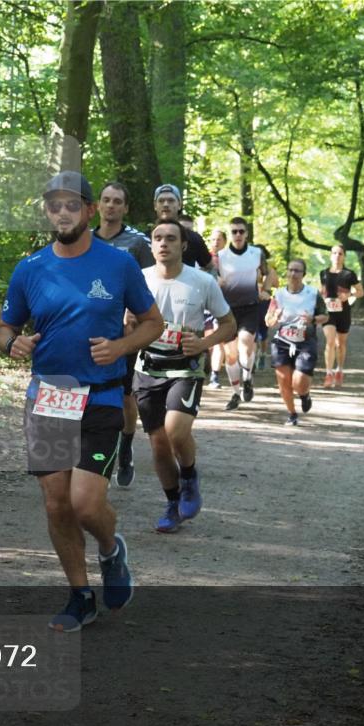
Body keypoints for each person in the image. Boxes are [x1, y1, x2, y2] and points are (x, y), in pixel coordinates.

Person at [0, 171, 164, 632]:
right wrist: (12, 343)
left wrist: (121, 348)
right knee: (56, 504)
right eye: (54, 205)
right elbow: (5, 326)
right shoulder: (30, 269)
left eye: (73, 205)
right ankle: (80, 594)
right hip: (49, 396)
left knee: (86, 504)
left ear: (90, 211)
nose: (63, 213)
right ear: (47, 212)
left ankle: (111, 549)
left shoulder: (119, 264)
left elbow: (153, 322)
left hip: (102, 396)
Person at [134, 219, 236, 532]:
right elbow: (127, 321)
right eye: (158, 238)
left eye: (171, 238)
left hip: (186, 368)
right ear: (151, 246)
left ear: (183, 246)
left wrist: (204, 343)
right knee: (159, 445)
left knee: (176, 432)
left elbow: (229, 324)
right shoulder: (139, 280)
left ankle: (189, 474)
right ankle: (172, 503)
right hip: (148, 367)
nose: (163, 243)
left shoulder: (202, 282)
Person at [93, 181, 155, 490]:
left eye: (117, 201)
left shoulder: (138, 243)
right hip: (88, 330)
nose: (111, 205)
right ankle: (89, 453)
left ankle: (126, 447)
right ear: (98, 205)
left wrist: (136, 311)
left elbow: (152, 283)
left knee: (125, 395)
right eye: (106, 200)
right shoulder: (84, 240)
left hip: (124, 333)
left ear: (125, 208)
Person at [265, 258, 328, 426]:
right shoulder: (278, 294)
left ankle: (304, 394)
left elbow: (326, 316)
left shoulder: (313, 293)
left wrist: (312, 319)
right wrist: (275, 317)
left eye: (297, 271)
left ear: (303, 274)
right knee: (283, 380)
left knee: (298, 381)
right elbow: (268, 321)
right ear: (286, 272)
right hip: (282, 341)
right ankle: (292, 414)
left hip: (305, 341)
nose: (293, 274)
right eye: (290, 270)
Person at [217, 217, 271, 411]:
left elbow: (269, 273)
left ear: (247, 233)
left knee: (246, 342)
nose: (238, 235)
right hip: (227, 308)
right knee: (231, 355)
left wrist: (265, 289)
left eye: (241, 231)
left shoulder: (256, 253)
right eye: (234, 232)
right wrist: (217, 282)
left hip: (250, 306)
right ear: (230, 234)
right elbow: (211, 276)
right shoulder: (221, 256)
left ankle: (248, 377)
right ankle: (235, 393)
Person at [319, 243, 364, 388]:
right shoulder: (324, 273)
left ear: (344, 256)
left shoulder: (349, 274)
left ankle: (339, 370)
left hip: (343, 312)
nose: (337, 256)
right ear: (330, 255)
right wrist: (320, 297)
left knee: (341, 344)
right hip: (328, 312)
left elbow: (361, 292)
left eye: (340, 254)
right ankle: (328, 373)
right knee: (330, 342)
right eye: (334, 253)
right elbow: (323, 290)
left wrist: (349, 294)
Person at [152, 185, 213, 270]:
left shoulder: (194, 238)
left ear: (179, 205)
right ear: (155, 205)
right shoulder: (144, 239)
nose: (166, 204)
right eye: (161, 201)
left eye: (171, 200)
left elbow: (209, 267)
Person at [206, 229, 227, 387]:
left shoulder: (231, 259)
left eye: (219, 239)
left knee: (218, 340)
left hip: (221, 304)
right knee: (205, 340)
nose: (216, 242)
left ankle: (214, 376)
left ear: (225, 241)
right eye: (213, 239)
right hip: (202, 304)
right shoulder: (203, 257)